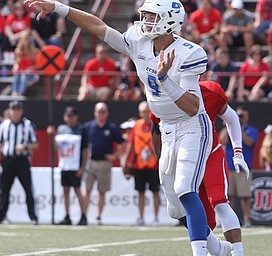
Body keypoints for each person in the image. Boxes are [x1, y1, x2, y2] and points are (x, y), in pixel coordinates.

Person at [24, 0, 232, 254]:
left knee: (185, 189)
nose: (144, 20)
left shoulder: (190, 52)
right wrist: (59, 8)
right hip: (166, 128)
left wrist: (165, 79)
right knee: (175, 208)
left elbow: (191, 107)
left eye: (151, 16)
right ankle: (218, 249)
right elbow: (98, 27)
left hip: (191, 127)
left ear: (169, 21)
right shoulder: (138, 40)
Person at [150, 80, 249, 256]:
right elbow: (155, 129)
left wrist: (238, 152)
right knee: (180, 209)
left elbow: (232, 118)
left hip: (210, 152)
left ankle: (237, 252)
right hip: (180, 154)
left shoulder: (210, 91)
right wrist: (160, 159)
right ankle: (216, 248)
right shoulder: (162, 94)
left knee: (219, 202)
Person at [0, 100, 39, 225]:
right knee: (4, 190)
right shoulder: (4, 125)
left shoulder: (28, 125)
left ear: (21, 111)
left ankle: (33, 217)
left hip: (22, 160)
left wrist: (25, 147)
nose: (15, 112)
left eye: (18, 109)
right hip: (8, 160)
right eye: (13, 109)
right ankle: (0, 217)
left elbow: (36, 144)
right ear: (9, 111)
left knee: (28, 189)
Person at [83, 102, 124, 225]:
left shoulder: (111, 128)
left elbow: (122, 143)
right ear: (95, 113)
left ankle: (98, 216)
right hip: (90, 162)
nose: (101, 114)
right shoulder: (88, 127)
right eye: (99, 111)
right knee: (87, 190)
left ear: (107, 113)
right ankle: (83, 215)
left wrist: (116, 155)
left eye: (103, 111)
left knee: (102, 191)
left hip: (104, 163)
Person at [46, 106, 88, 225]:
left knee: (78, 191)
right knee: (65, 191)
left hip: (76, 166)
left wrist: (82, 167)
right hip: (64, 165)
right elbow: (56, 148)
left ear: (76, 117)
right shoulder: (61, 129)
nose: (70, 118)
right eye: (68, 116)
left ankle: (83, 215)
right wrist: (52, 136)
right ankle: (67, 215)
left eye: (72, 116)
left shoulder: (81, 129)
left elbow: (85, 150)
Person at [121, 101, 160, 226]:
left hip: (154, 164)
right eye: (143, 112)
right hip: (139, 164)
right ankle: (141, 217)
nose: (145, 114)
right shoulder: (136, 126)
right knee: (140, 192)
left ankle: (156, 217)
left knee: (155, 191)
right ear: (140, 113)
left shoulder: (157, 124)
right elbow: (131, 144)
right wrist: (125, 159)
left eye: (147, 111)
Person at [220, 106, 258, 228]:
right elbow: (222, 141)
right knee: (228, 196)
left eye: (242, 116)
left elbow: (249, 142)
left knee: (245, 196)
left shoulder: (251, 130)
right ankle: (227, 220)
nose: (240, 118)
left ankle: (247, 219)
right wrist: (229, 125)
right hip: (229, 167)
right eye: (238, 116)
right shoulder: (227, 129)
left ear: (247, 117)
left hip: (243, 169)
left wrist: (238, 127)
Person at [11, 31, 39, 96]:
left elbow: (38, 65)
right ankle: (14, 93)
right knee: (17, 74)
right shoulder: (18, 51)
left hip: (32, 74)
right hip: (21, 72)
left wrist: (31, 68)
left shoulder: (35, 51)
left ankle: (20, 93)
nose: (25, 41)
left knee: (24, 74)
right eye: (23, 39)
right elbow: (16, 63)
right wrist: (15, 67)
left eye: (26, 39)